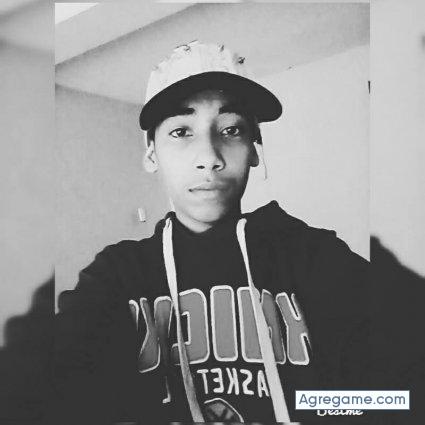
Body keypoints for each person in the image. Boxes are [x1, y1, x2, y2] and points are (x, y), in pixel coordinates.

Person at [52, 41, 369, 425]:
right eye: (181, 131)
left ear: (254, 148)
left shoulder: (313, 256)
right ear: (151, 153)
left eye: (231, 129)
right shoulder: (118, 275)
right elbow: (51, 387)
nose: (210, 158)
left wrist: (320, 409)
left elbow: (396, 395)